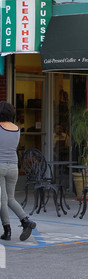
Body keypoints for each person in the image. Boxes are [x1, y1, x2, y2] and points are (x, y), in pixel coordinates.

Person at [0, 102, 36, 241]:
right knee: (10, 198)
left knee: (3, 201)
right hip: (13, 166)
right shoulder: (17, 129)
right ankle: (25, 221)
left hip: (0, 165)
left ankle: (7, 230)